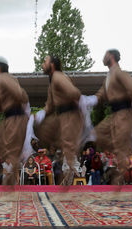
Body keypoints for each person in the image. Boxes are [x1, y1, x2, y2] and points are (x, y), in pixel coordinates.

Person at [94, 49, 132, 187]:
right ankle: (120, 153)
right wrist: (86, 101)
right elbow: (100, 95)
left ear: (112, 56)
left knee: (120, 148)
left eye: (106, 54)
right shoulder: (107, 78)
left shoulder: (121, 73)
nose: (103, 57)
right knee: (97, 133)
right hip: (114, 113)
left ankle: (120, 185)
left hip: (124, 112)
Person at [37, 55, 83, 185]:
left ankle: (70, 175)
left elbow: (74, 93)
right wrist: (38, 115)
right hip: (63, 117)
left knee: (68, 150)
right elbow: (50, 106)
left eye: (44, 62)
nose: (42, 64)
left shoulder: (58, 77)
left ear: (52, 65)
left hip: (70, 115)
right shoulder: (53, 81)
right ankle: (68, 172)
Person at [0, 56, 28, 186]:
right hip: (12, 117)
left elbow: (21, 95)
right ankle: (9, 174)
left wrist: (10, 103)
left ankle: (9, 182)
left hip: (15, 117)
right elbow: (2, 103)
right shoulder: (7, 78)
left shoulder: (2, 77)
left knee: (11, 150)